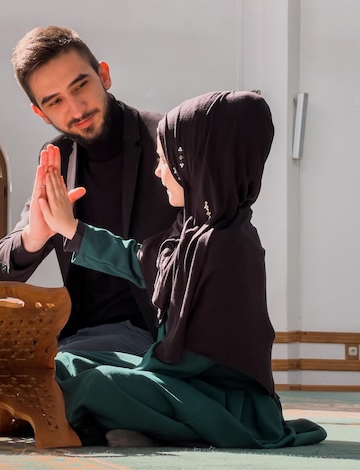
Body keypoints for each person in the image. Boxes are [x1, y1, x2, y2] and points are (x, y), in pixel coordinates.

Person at [38, 91, 327, 448]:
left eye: (165, 161)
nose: (158, 171)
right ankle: (106, 421)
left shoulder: (228, 246)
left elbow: (203, 360)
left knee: (100, 384)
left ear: (196, 162)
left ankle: (57, 412)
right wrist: (71, 229)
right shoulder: (191, 230)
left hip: (219, 400)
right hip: (175, 379)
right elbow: (140, 259)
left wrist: (138, 373)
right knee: (68, 362)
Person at [0, 26, 179, 355]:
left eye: (81, 86)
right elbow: (1, 267)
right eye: (55, 102)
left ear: (103, 75)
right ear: (40, 112)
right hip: (80, 338)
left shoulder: (167, 140)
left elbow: (196, 257)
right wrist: (34, 237)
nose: (76, 109)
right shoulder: (56, 159)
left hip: (161, 338)